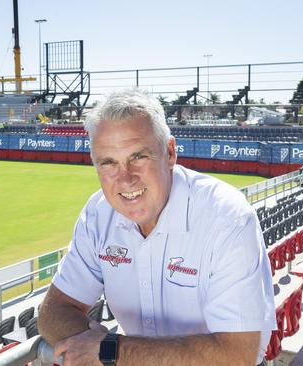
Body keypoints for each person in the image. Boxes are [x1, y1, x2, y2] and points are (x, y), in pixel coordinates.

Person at [38, 89, 275, 366]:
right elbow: (54, 309)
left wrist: (112, 351)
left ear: (170, 152)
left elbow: (236, 354)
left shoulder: (226, 217)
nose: (125, 179)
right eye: (109, 163)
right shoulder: (98, 213)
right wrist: (85, 345)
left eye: (138, 157)